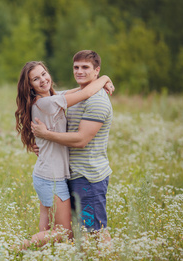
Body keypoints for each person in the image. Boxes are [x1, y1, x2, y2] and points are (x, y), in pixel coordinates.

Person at [15, 60, 114, 249]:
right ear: (30, 86)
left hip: (44, 175)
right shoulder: (47, 103)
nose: (43, 80)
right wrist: (105, 78)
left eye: (44, 74)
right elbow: (84, 93)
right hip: (52, 177)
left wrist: (104, 79)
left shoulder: (50, 97)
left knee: (47, 226)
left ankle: (38, 260)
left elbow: (73, 92)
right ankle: (14, 248)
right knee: (64, 232)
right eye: (36, 79)